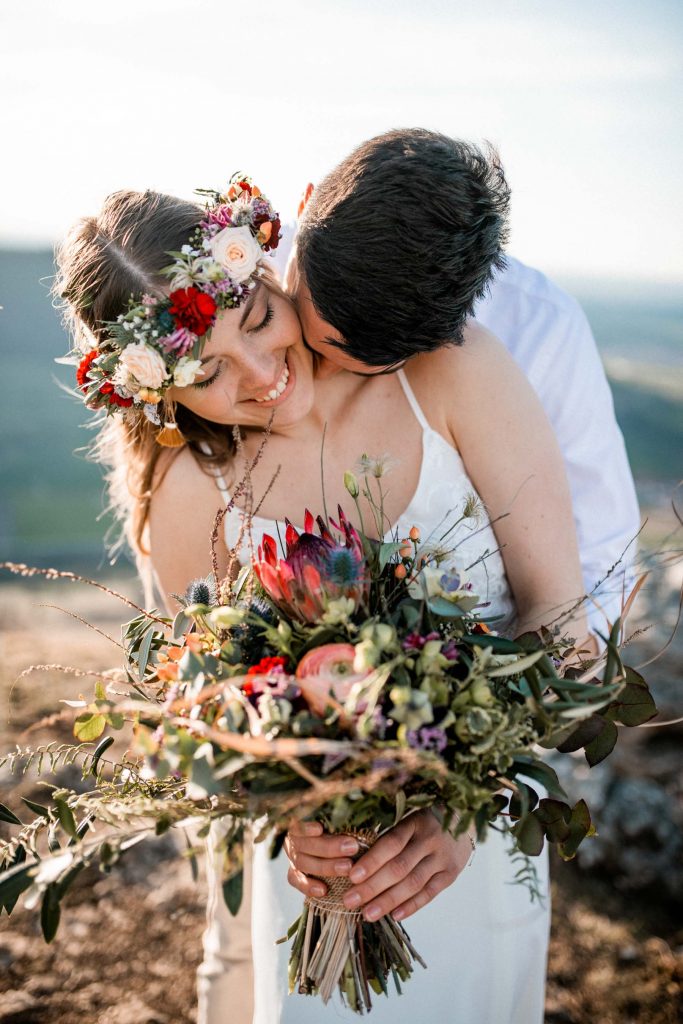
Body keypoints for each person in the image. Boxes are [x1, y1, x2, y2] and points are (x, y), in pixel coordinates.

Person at [51, 140, 627, 1023]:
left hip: (476, 848)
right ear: (155, 393)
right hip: (312, 880)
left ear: (265, 265)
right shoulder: (189, 498)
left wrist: (467, 805)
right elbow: (210, 709)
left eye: (256, 320)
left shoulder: (449, 372)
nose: (261, 375)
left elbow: (560, 609)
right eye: (205, 373)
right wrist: (292, 813)